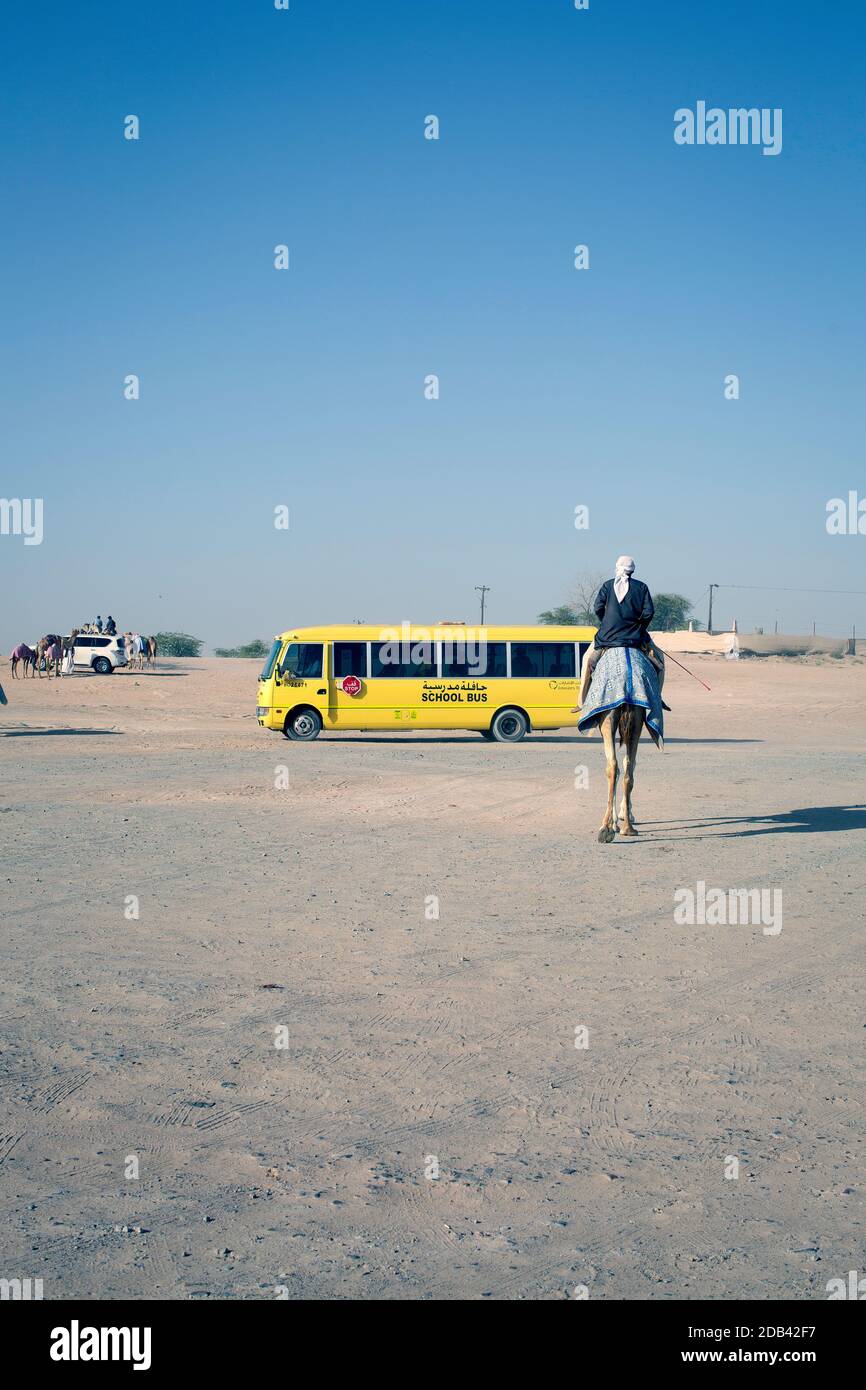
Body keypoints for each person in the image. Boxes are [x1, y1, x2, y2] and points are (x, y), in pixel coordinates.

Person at [577, 556, 667, 708]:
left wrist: (606, 623)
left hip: (607, 636)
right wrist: (639, 627)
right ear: (632, 571)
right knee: (660, 660)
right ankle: (657, 698)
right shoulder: (642, 587)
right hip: (636, 637)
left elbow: (598, 608)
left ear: (617, 567)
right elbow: (649, 613)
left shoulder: (607, 586)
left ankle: (581, 702)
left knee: (587, 660)